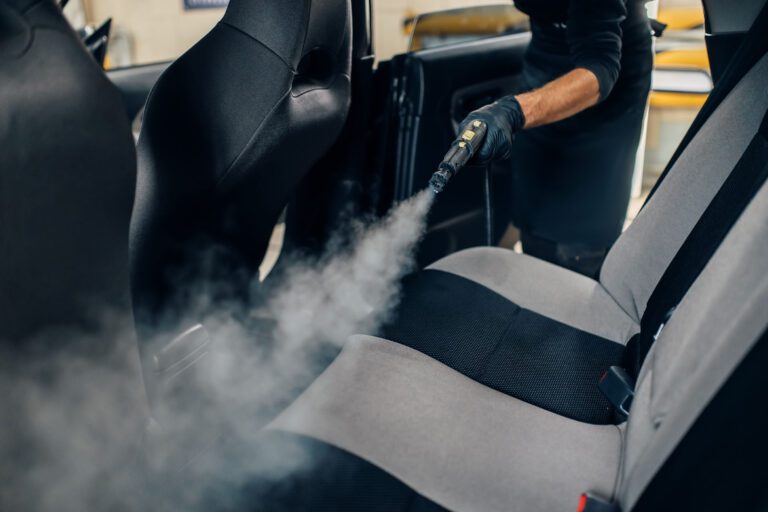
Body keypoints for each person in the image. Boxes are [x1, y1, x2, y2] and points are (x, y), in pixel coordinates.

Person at [461, 0, 653, 276]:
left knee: (575, 228)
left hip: (600, 84)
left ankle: (579, 270)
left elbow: (600, 68)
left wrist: (514, 111)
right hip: (547, 52)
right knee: (532, 193)